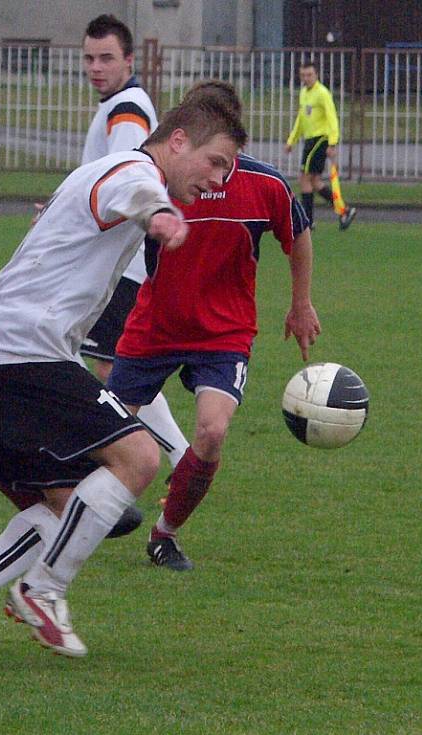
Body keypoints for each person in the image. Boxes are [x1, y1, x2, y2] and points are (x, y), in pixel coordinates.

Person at [0, 95, 247, 666]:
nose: (219, 179)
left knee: (69, 503)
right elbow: (139, 194)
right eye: (216, 162)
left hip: (7, 352)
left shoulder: (99, 174)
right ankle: (42, 591)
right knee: (140, 458)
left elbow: (31, 255)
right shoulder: (133, 171)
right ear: (177, 142)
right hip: (27, 355)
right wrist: (162, 215)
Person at [109, 80, 321, 571]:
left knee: (211, 432)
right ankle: (71, 510)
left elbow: (300, 235)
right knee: (104, 431)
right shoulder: (157, 181)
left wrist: (301, 304)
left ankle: (165, 535)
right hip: (153, 328)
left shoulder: (264, 185)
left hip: (223, 335)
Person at [78, 14, 189, 472]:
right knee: (105, 364)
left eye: (107, 58)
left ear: (129, 60)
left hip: (123, 262)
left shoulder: (127, 108)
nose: (95, 67)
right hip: (120, 261)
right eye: (88, 58)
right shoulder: (122, 103)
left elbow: (124, 181)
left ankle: (179, 457)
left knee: (109, 367)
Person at [285, 60, 356, 231]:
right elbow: (301, 119)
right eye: (303, 75)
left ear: (316, 75)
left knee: (304, 178)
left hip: (320, 139)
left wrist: (332, 142)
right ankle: (345, 210)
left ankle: (308, 221)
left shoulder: (322, 93)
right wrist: (291, 140)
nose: (306, 78)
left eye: (309, 75)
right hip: (310, 140)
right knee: (315, 181)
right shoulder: (304, 93)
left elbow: (332, 118)